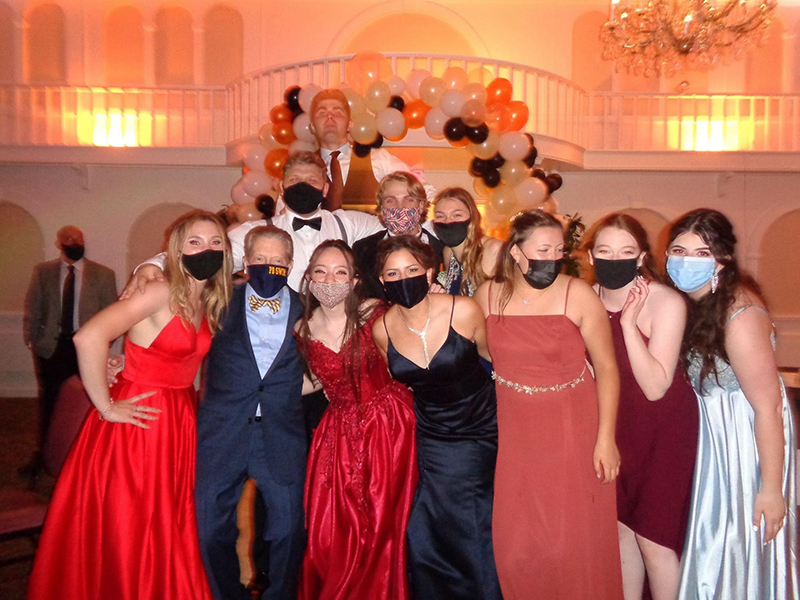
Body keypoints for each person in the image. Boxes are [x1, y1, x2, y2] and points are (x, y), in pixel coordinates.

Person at [26, 210, 231, 599]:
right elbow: (89, 337)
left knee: (164, 521)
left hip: (178, 416)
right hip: (142, 419)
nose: (207, 249)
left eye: (216, 242)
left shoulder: (205, 296)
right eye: (195, 242)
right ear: (176, 249)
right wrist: (105, 406)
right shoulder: (158, 290)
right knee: (134, 521)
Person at [473, 210, 623, 599]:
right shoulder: (487, 294)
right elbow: (483, 353)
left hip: (571, 424)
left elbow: (607, 368)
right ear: (517, 252)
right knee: (515, 546)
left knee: (568, 542)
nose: (552, 259)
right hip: (514, 427)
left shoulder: (578, 293)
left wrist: (605, 438)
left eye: (558, 251)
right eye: (543, 249)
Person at [667, 209, 799, 600]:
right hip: (713, 435)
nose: (687, 260)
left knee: (740, 541)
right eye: (678, 249)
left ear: (722, 260)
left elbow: (769, 408)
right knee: (715, 542)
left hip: (744, 438)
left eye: (700, 252)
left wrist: (771, 488)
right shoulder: (691, 301)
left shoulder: (738, 313)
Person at [372, 235, 503, 600]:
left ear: (430, 272)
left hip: (480, 426)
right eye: (393, 273)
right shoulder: (381, 330)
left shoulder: (463, 309)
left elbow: (494, 361)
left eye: (412, 270)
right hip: (431, 434)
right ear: (382, 281)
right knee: (427, 527)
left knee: (475, 522)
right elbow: (406, 384)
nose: (403, 279)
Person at [581, 213, 698, 600]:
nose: (615, 259)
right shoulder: (585, 300)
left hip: (663, 431)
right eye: (605, 251)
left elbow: (654, 386)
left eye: (626, 251)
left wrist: (629, 324)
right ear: (591, 257)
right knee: (621, 532)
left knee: (656, 540)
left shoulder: (665, 301)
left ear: (642, 257)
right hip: (616, 429)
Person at [294, 240, 417, 599]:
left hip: (390, 426)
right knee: (332, 531)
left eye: (340, 272)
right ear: (309, 277)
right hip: (338, 434)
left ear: (354, 279)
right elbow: (309, 381)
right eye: (321, 271)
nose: (330, 279)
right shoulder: (302, 327)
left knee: (386, 522)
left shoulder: (377, 312)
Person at [194, 225, 308, 600]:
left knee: (289, 532)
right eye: (261, 258)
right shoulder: (217, 299)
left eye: (277, 260)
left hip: (281, 432)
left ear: (290, 266)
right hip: (222, 431)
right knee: (210, 529)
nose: (268, 265)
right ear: (246, 261)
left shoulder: (310, 308)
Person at [22, 225, 117, 478]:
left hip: (87, 348)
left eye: (80, 239)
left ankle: (84, 457)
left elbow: (112, 312)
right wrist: (33, 339)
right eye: (70, 240)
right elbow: (35, 306)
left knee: (88, 400)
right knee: (50, 401)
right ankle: (44, 455)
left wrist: (104, 343)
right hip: (52, 347)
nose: (76, 243)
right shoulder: (44, 272)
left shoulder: (103, 274)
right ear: (59, 243)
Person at [309, 88, 436, 210]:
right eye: (322, 113)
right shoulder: (303, 167)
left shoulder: (379, 158)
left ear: (349, 125)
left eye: (337, 112)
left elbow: (422, 190)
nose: (330, 117)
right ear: (312, 127)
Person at [353, 171, 445, 300]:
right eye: (391, 200)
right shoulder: (362, 251)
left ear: (421, 205)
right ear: (381, 207)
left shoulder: (443, 251)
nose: (400, 207)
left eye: (408, 199)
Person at [432, 187, 503, 296]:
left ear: (472, 217)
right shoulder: (448, 252)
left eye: (457, 215)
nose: (448, 221)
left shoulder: (494, 249)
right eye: (440, 216)